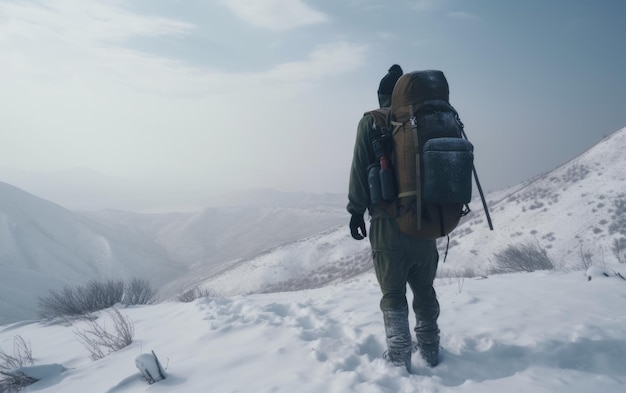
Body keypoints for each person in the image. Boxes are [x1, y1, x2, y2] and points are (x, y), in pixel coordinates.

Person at [347, 65, 441, 372]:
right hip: (425, 223)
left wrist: (355, 212)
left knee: (393, 293)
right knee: (425, 290)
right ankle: (430, 349)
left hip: (388, 226)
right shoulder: (428, 121)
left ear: (382, 96)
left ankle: (400, 355)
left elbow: (360, 172)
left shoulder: (371, 123)